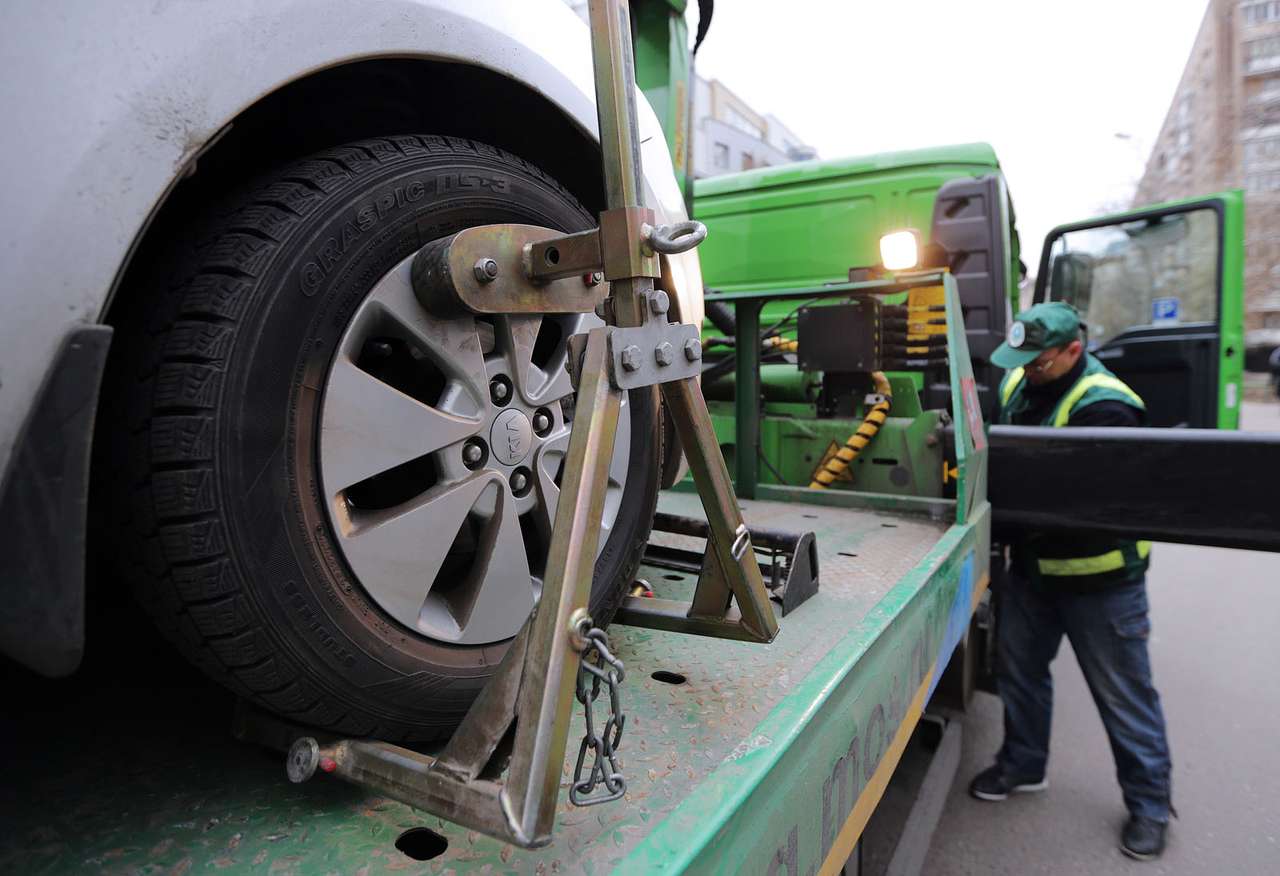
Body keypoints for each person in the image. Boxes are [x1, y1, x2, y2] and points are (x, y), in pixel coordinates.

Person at [969, 301, 1173, 861]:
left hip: (1102, 583)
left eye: (1039, 362)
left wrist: (1005, 519)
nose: (1026, 371)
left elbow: (1083, 506)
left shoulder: (1108, 408)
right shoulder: (1020, 380)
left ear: (1073, 352)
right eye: (1022, 360)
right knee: (1020, 675)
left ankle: (1151, 806)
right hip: (1034, 575)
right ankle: (1024, 765)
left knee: (1124, 694)